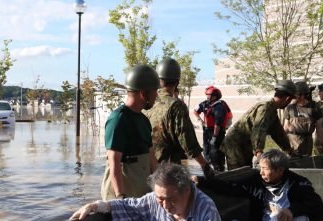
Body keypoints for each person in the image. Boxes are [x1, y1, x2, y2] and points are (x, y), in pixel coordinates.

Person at [197, 149, 323, 221]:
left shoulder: (298, 183)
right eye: (260, 167)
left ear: (280, 170)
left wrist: (292, 211)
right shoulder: (255, 181)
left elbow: (317, 204)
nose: (261, 172)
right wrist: (202, 181)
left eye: (265, 168)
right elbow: (231, 187)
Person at [71, 162, 221, 221]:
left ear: (187, 190)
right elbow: (128, 205)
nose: (166, 206)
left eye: (171, 199)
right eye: (160, 199)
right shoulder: (154, 201)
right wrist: (96, 206)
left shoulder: (206, 211)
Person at [144, 58, 215, 178]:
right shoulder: (175, 105)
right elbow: (188, 142)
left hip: (145, 167)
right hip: (167, 171)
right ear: (177, 81)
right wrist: (204, 165)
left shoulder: (146, 102)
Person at [100, 65, 160, 201]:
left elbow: (151, 158)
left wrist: (163, 184)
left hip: (140, 191)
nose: (156, 95)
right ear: (143, 93)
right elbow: (114, 161)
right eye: (155, 91)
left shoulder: (144, 120)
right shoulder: (118, 120)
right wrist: (120, 197)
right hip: (123, 193)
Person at [220, 80, 296, 170]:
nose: (289, 103)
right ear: (287, 98)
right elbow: (259, 129)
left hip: (245, 146)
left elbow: (278, 133)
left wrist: (289, 151)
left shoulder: (272, 111)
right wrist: (259, 152)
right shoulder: (265, 108)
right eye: (290, 100)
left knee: (246, 173)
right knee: (238, 175)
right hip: (235, 144)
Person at [283, 81, 323, 156]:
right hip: (293, 140)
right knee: (293, 163)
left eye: (298, 95)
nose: (295, 97)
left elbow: (319, 127)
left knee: (306, 163)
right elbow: (285, 127)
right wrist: (284, 145)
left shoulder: (314, 107)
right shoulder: (290, 107)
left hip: (308, 141)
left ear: (304, 95)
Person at [203, 86, 232, 171]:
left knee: (215, 150)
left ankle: (218, 168)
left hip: (217, 132)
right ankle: (215, 167)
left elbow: (218, 123)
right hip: (211, 131)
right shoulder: (211, 105)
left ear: (215, 96)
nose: (207, 97)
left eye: (209, 95)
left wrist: (214, 136)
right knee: (210, 149)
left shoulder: (219, 107)